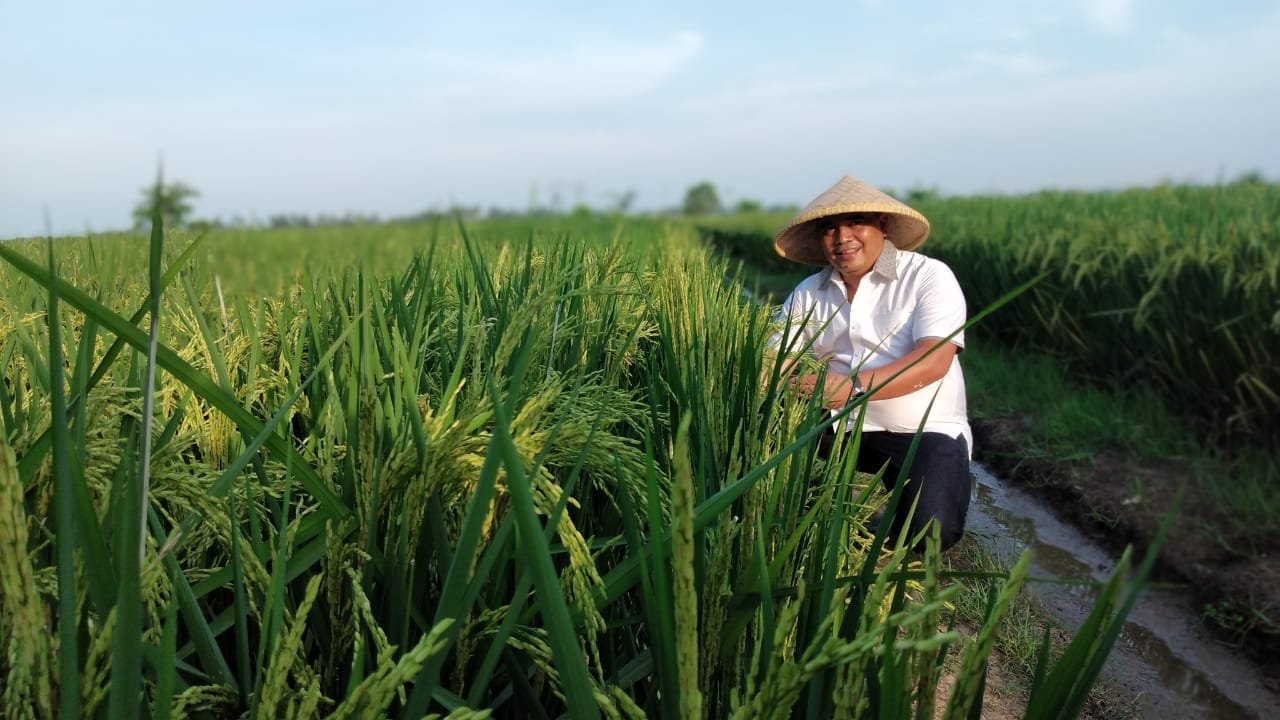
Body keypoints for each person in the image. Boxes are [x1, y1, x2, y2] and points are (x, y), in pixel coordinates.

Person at [771, 175, 971, 550]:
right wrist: (778, 381)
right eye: (829, 228)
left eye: (856, 223)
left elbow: (934, 360)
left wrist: (853, 386)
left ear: (882, 226)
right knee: (757, 451)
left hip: (919, 429)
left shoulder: (928, 276)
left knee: (932, 531)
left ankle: (887, 520)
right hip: (834, 426)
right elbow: (777, 358)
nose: (842, 237)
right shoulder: (809, 292)